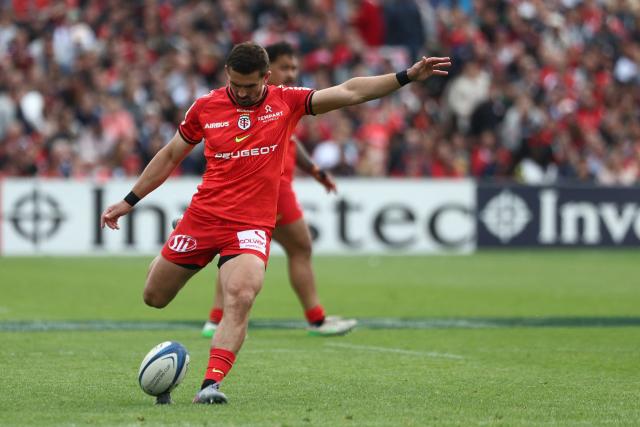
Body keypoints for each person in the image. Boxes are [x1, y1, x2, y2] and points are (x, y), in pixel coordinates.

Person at [100, 41, 450, 405]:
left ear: (266, 78)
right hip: (204, 216)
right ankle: (178, 234)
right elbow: (171, 154)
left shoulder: (287, 101)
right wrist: (129, 201)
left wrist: (407, 76)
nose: (243, 93)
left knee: (242, 296)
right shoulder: (205, 107)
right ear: (227, 76)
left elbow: (349, 91)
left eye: (251, 86)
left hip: (250, 225)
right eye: (236, 84)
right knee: (154, 297)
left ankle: (210, 385)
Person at [194, 42, 357, 338]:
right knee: (299, 247)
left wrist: (314, 170)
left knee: (234, 246)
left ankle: (216, 318)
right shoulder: (262, 100)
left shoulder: (278, 103)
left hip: (264, 186)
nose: (292, 73)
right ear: (267, 73)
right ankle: (316, 319)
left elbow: (292, 142)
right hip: (271, 188)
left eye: (294, 67)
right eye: (286, 67)